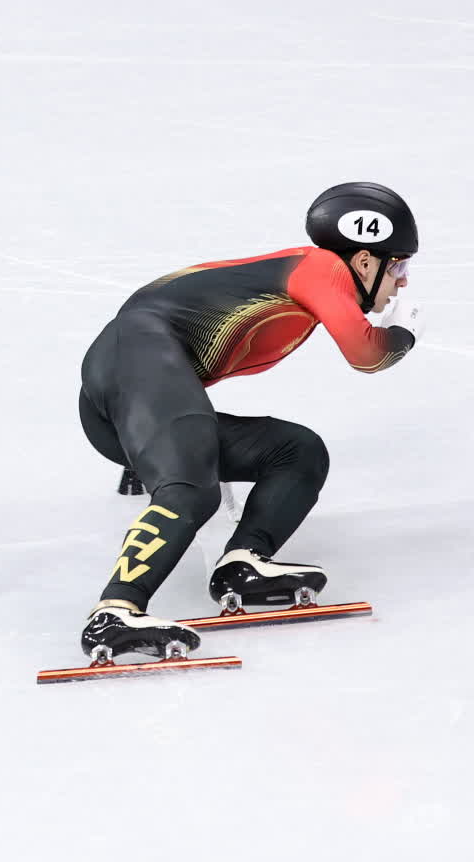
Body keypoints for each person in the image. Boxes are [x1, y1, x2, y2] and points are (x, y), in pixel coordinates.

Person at [75, 182, 421, 661]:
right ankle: (115, 611)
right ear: (364, 261)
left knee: (297, 451)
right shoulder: (321, 268)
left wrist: (144, 448)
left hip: (124, 391)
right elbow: (366, 353)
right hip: (128, 370)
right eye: (398, 265)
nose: (402, 282)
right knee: (194, 488)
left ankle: (242, 564)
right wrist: (404, 332)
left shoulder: (302, 282)